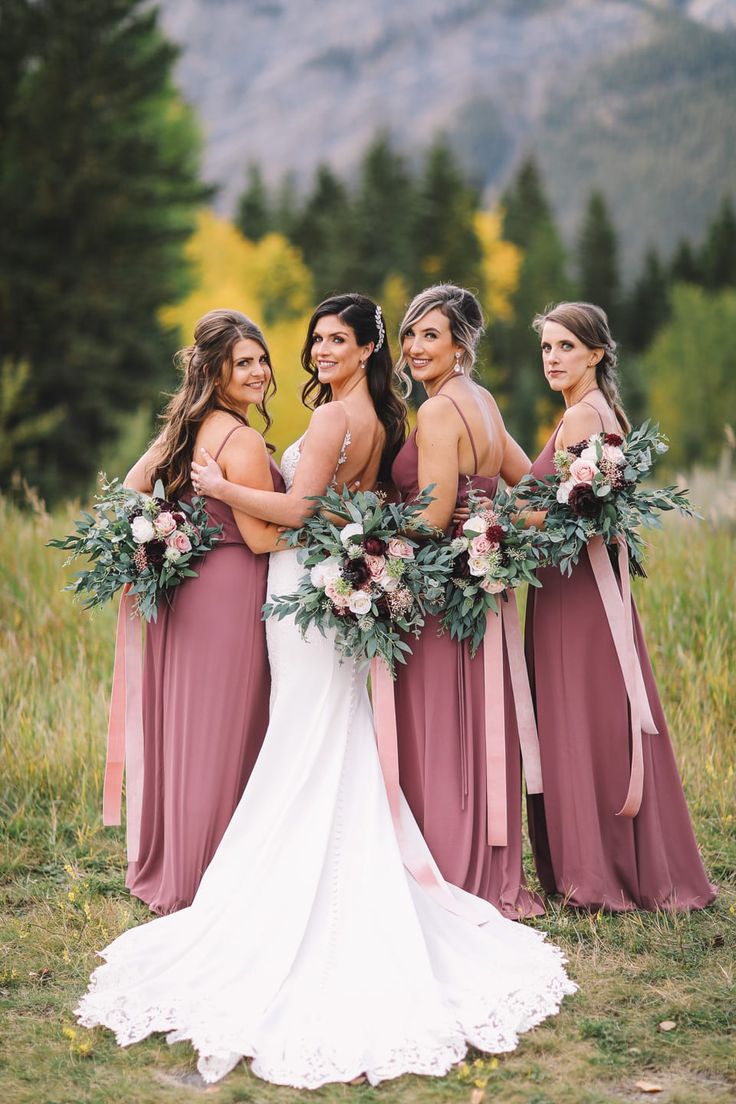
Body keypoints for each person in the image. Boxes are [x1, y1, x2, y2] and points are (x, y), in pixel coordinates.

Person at [76, 294, 575, 1090]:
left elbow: (293, 517)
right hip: (323, 590)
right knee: (321, 732)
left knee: (304, 735)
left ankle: (282, 878)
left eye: (336, 341)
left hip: (298, 592)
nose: (316, 353)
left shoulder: (342, 419)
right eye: (313, 341)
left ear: (368, 348)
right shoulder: (379, 416)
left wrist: (224, 489)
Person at [523, 301, 716, 911]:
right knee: (600, 713)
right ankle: (615, 859)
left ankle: (595, 873)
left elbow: (563, 521)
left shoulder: (582, 417)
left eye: (566, 348)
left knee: (579, 714)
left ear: (597, 353)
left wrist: (487, 520)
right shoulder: (600, 412)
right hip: (586, 587)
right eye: (548, 347)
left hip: (575, 590)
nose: (553, 359)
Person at [121, 309, 285, 914]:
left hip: (186, 591)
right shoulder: (238, 440)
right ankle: (207, 873)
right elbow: (263, 537)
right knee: (223, 732)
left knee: (188, 728)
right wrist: (329, 525)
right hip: (231, 593)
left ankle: (176, 863)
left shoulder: (187, 427)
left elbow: (132, 490)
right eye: (244, 362)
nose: (259, 371)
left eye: (262, 359)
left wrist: (169, 533)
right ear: (214, 371)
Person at [390, 285, 543, 918]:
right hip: (480, 582)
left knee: (438, 719)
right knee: (475, 715)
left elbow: (427, 514)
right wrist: (493, 529)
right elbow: (531, 490)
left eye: (432, 335)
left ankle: (447, 868)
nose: (416, 347)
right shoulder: (483, 404)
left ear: (462, 344)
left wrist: (365, 537)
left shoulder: (434, 413)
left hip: (436, 583)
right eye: (411, 334)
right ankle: (487, 866)